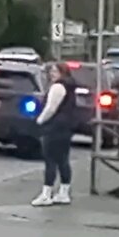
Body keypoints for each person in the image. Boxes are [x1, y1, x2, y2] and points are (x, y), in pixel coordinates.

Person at [32, 62, 80, 207]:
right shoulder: (70, 87)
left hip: (54, 127)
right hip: (66, 128)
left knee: (50, 160)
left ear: (61, 72)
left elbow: (51, 108)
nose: (51, 74)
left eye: (54, 71)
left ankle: (47, 194)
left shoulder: (58, 87)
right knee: (63, 160)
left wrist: (40, 120)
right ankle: (64, 192)